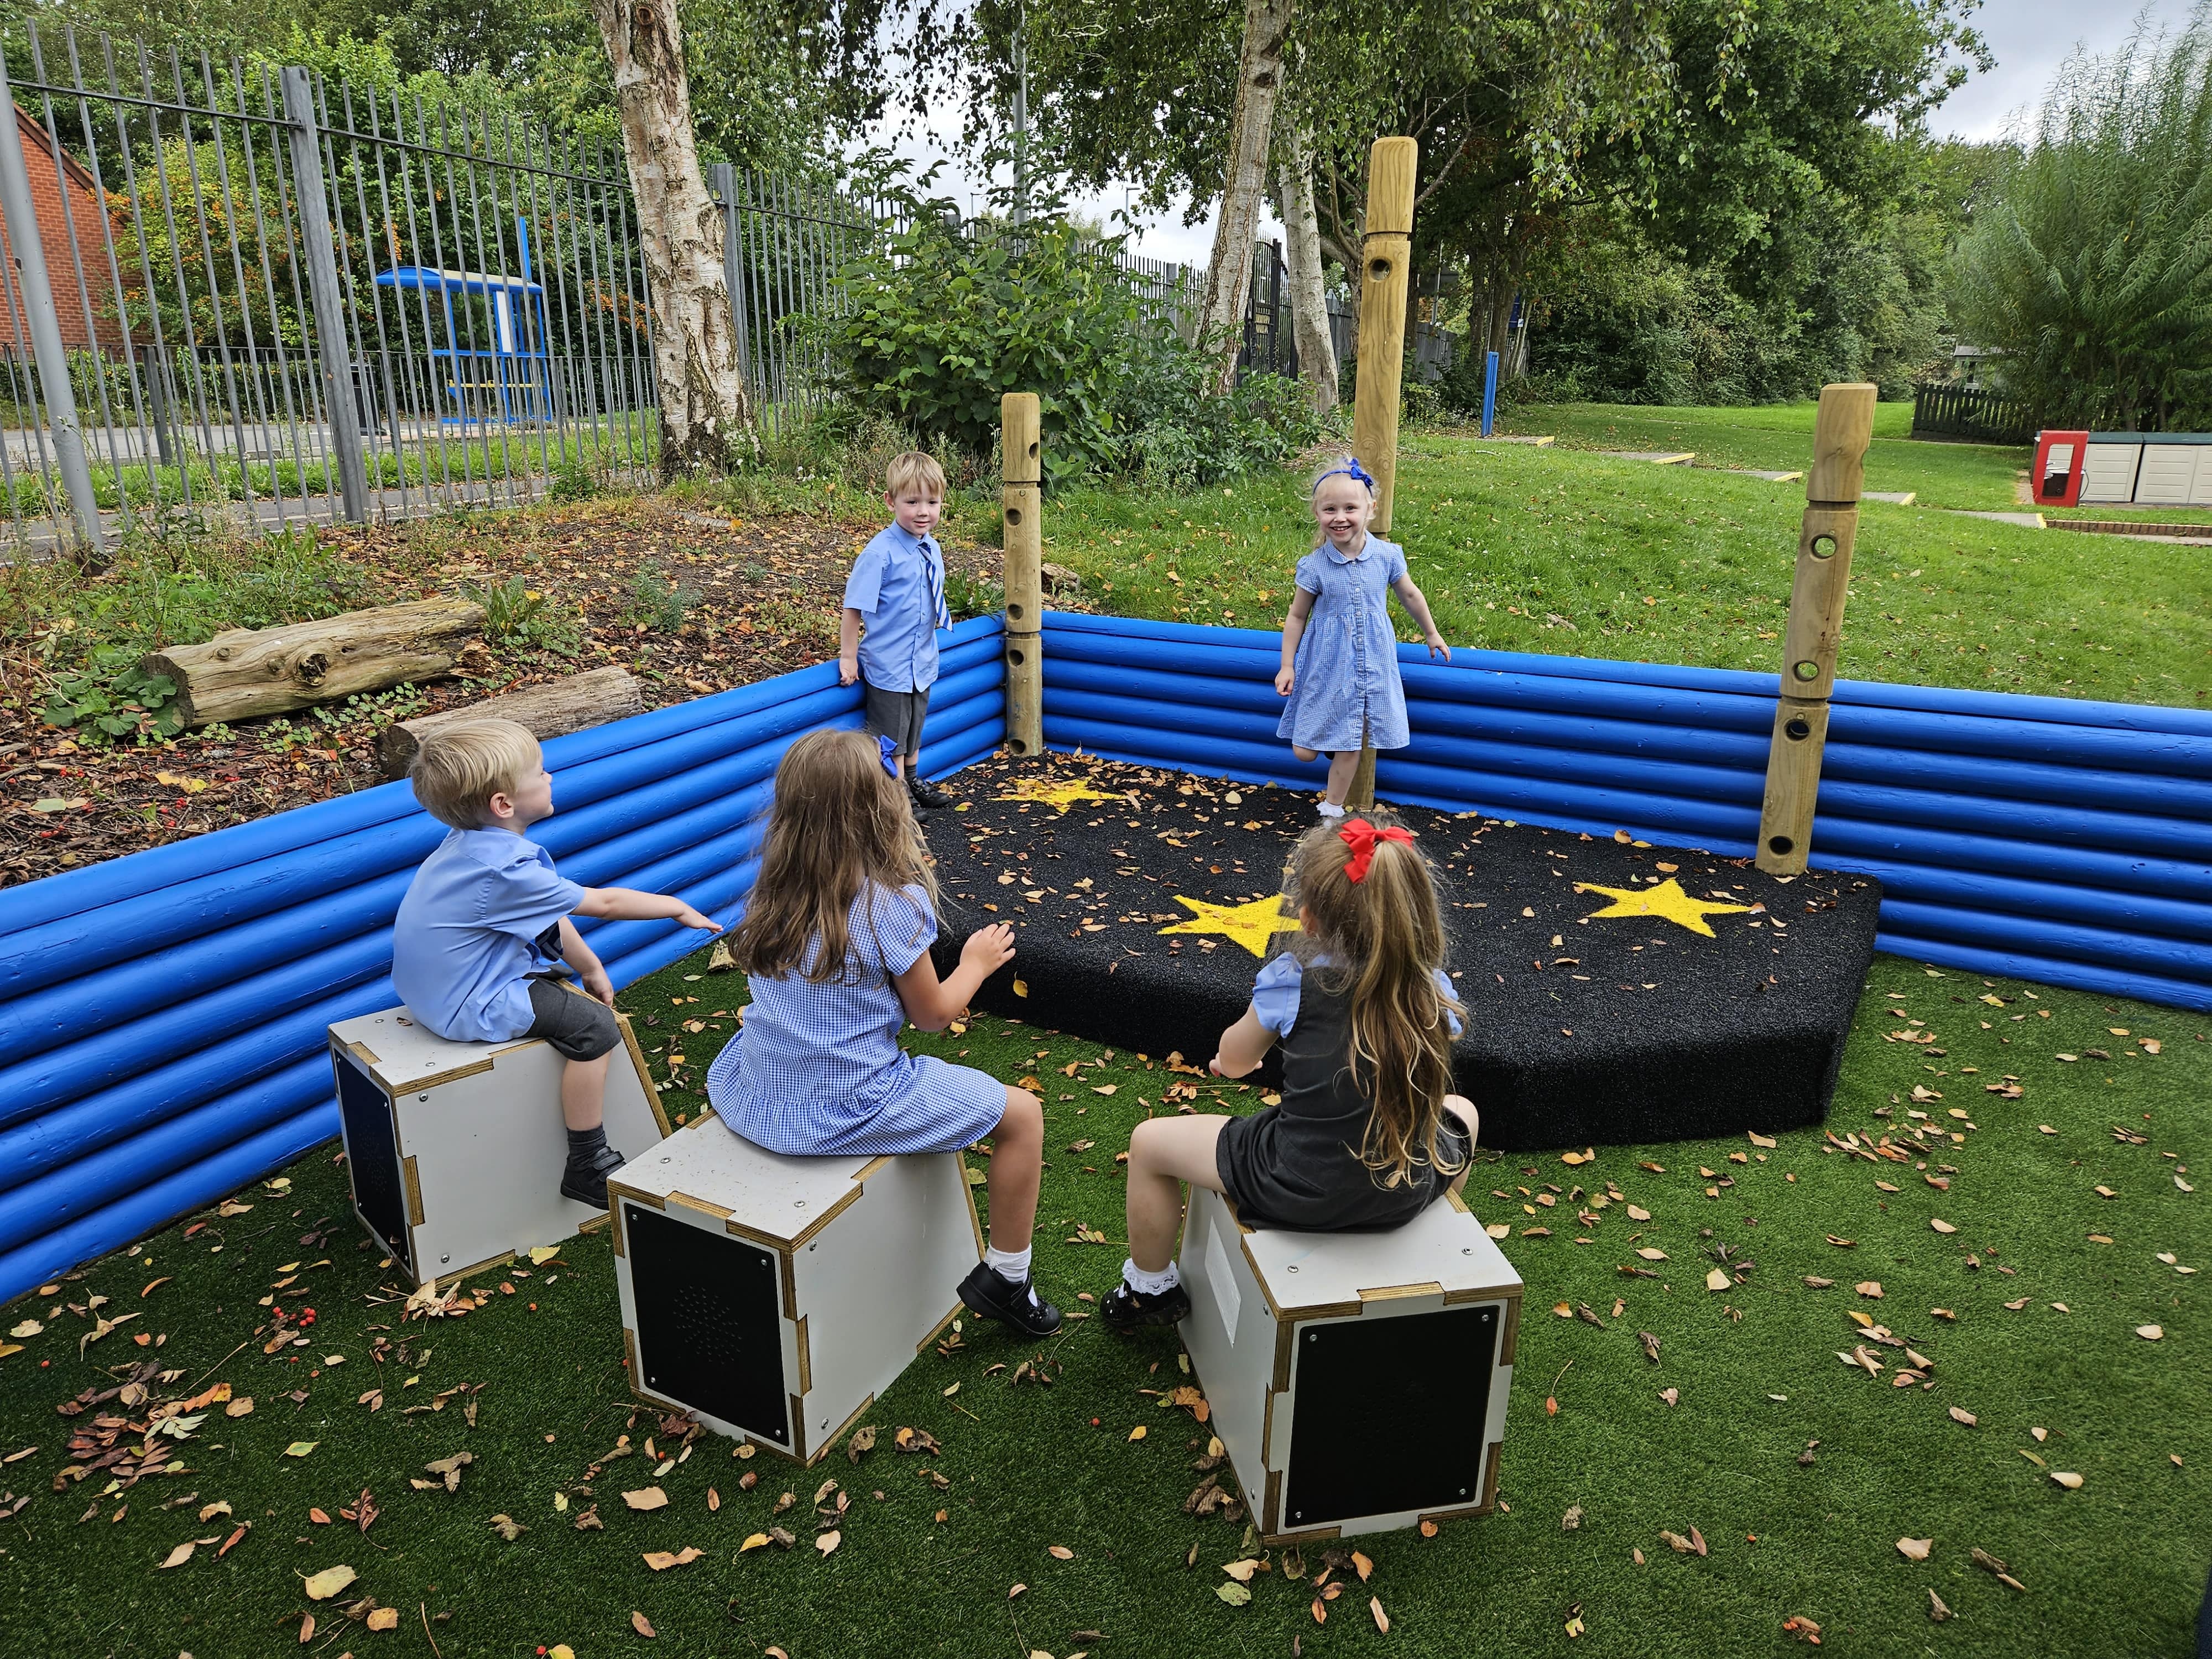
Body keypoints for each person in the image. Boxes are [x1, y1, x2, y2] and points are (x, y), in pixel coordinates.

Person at [703, 727, 1059, 1337]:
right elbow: (933, 1017)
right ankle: (1008, 1276)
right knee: (1023, 1116)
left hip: (753, 1092)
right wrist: (974, 963)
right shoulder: (892, 905)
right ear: (882, 805)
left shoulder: (772, 884)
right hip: (848, 1105)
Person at [1101, 813, 1477, 1329]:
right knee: (1463, 1113)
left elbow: (1232, 1060)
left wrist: (1236, 1062)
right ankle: (1432, 1236)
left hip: (1295, 1186)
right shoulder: (1433, 987)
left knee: (1148, 1144)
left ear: (1310, 918)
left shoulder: (1290, 982)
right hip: (1402, 1187)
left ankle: (1148, 1291)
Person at [392, 718, 720, 1207]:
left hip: (430, 991)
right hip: (466, 1005)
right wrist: (675, 907)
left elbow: (545, 915)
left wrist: (589, 968)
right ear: (504, 804)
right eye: (540, 772)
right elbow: (603, 904)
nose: (550, 778)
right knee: (595, 1027)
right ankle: (587, 1161)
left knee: (567, 988)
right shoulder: (504, 869)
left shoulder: (469, 845)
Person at [1274, 455, 1451, 818]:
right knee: (1304, 752)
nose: (1340, 517)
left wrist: (1431, 633)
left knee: (1353, 739)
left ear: (1370, 509)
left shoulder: (1387, 556)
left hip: (1371, 662)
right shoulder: (1315, 565)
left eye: (1350, 508)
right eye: (1330, 509)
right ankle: (1329, 743)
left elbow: (1411, 596)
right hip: (1326, 662)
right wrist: (1287, 665)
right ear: (1317, 513)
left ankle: (1332, 809)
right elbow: (1296, 616)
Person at [841, 450, 955, 811]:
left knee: (914, 726)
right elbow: (853, 608)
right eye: (913, 501)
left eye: (932, 502)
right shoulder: (879, 554)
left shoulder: (931, 548)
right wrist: (848, 657)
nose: (924, 511)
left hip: (921, 658)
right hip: (889, 662)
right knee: (891, 733)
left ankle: (913, 779)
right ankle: (896, 794)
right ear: (890, 501)